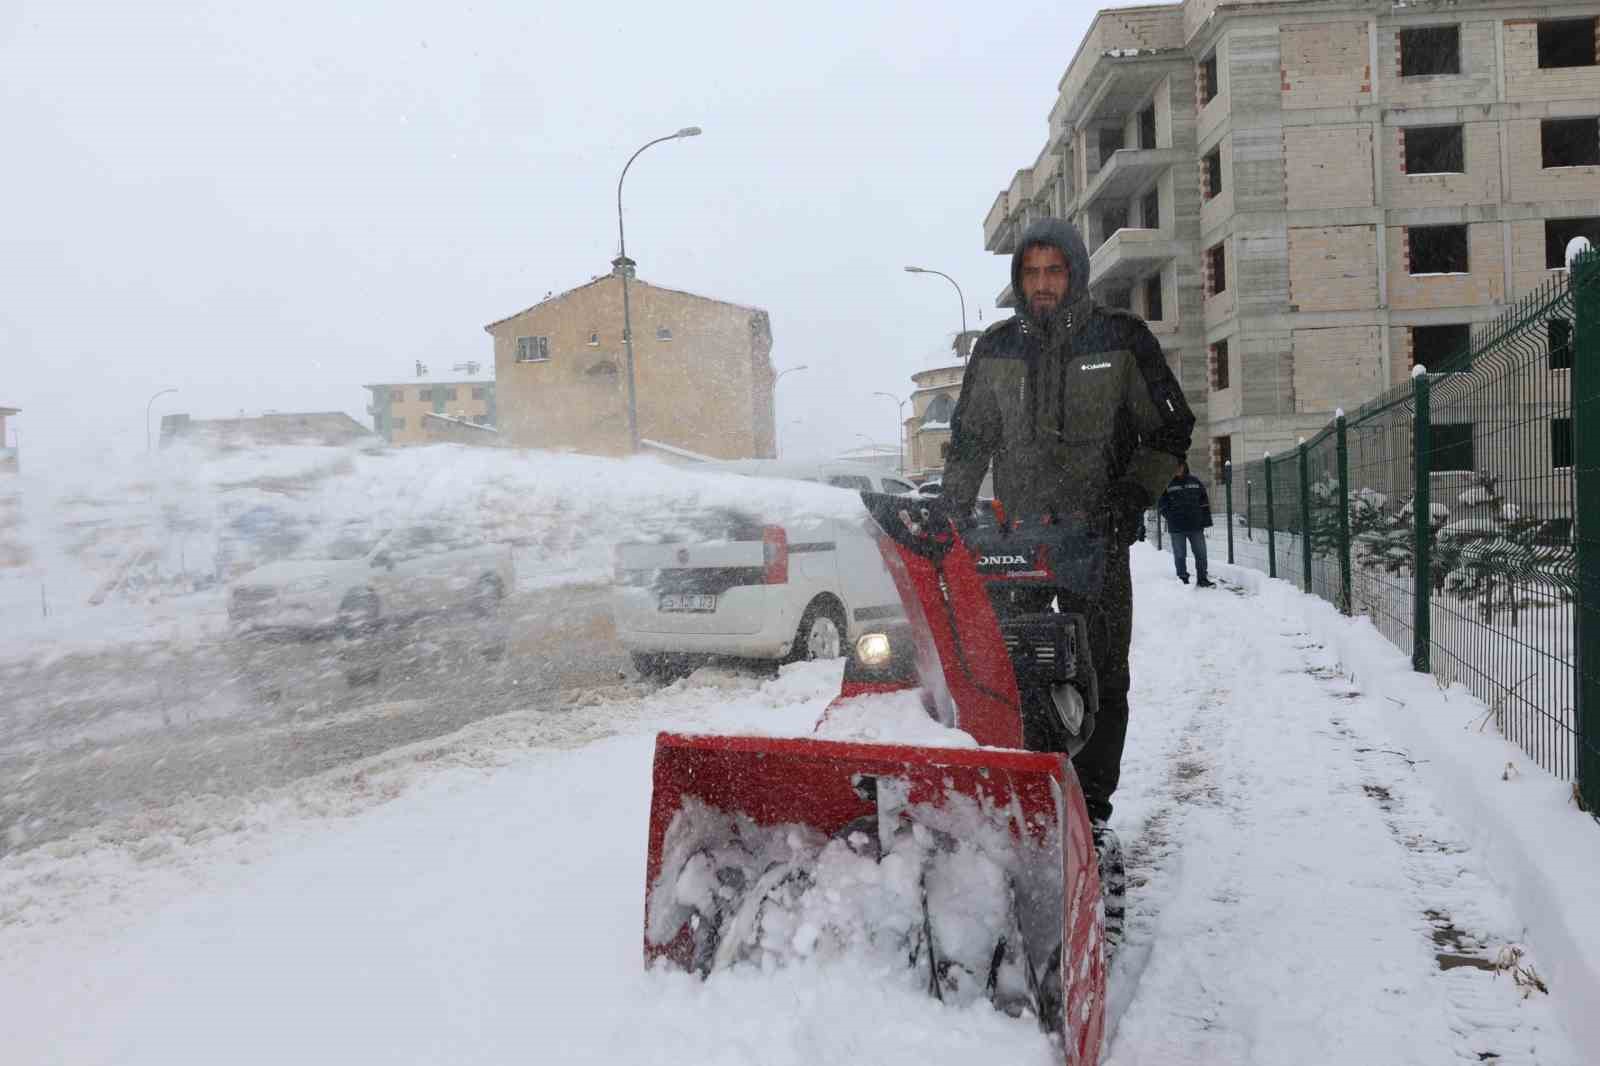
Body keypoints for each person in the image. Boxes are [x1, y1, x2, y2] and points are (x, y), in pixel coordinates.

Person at [940, 217, 1196, 829]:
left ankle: (1090, 813)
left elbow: (1169, 430)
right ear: (1018, 279)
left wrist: (1130, 497)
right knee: (1009, 668)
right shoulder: (997, 348)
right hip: (1015, 544)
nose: (1042, 283)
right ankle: (1024, 794)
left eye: (1054, 270)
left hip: (1095, 541)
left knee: (1101, 675)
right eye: (1031, 272)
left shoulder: (1121, 339)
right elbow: (971, 440)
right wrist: (952, 509)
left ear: (1076, 273)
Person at [1158, 461, 1214, 587]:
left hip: (1196, 526)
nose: (1178, 469)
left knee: (1201, 554)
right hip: (1177, 528)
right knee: (1179, 555)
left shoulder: (1195, 481)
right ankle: (1182, 579)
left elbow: (1204, 501)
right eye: (1175, 466)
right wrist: (1171, 517)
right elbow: (1161, 505)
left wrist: (1205, 521)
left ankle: (1202, 579)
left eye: (1180, 466)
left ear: (1185, 467)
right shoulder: (1167, 484)